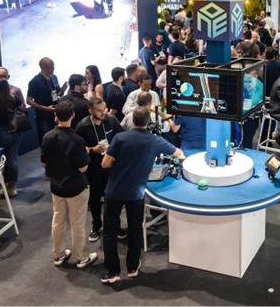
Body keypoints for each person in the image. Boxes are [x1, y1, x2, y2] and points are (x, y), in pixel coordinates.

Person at [100, 107, 184, 284]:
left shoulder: (120, 138)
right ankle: (132, 267)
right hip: (136, 193)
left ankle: (112, 272)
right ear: (148, 122)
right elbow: (178, 153)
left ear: (132, 120)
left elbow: (105, 164)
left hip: (114, 191)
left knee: (109, 232)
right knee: (135, 229)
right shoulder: (155, 140)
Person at [40, 100, 98, 269]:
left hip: (56, 187)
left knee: (58, 220)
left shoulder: (47, 137)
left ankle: (58, 255)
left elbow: (43, 163)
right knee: (77, 223)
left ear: (55, 115)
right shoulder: (77, 140)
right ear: (73, 115)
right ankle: (82, 257)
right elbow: (83, 168)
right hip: (76, 187)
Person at [75, 97, 125, 242]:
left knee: (114, 198)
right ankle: (96, 225)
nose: (104, 112)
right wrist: (92, 149)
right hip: (94, 167)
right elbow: (78, 148)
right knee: (95, 198)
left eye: (105, 109)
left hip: (111, 166)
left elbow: (122, 136)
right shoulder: (82, 126)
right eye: (99, 110)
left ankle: (115, 226)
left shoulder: (111, 120)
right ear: (90, 111)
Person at [0, 78, 24, 197]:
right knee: (12, 158)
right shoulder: (12, 99)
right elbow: (22, 108)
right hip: (15, 130)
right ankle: (11, 188)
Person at [27, 57, 67, 144]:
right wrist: (45, 108)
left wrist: (63, 90)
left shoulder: (54, 77)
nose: (53, 68)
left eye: (53, 66)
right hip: (43, 116)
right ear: (43, 67)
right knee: (47, 140)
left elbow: (57, 94)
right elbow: (29, 101)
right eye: (51, 67)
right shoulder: (34, 82)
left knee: (59, 139)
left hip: (56, 113)